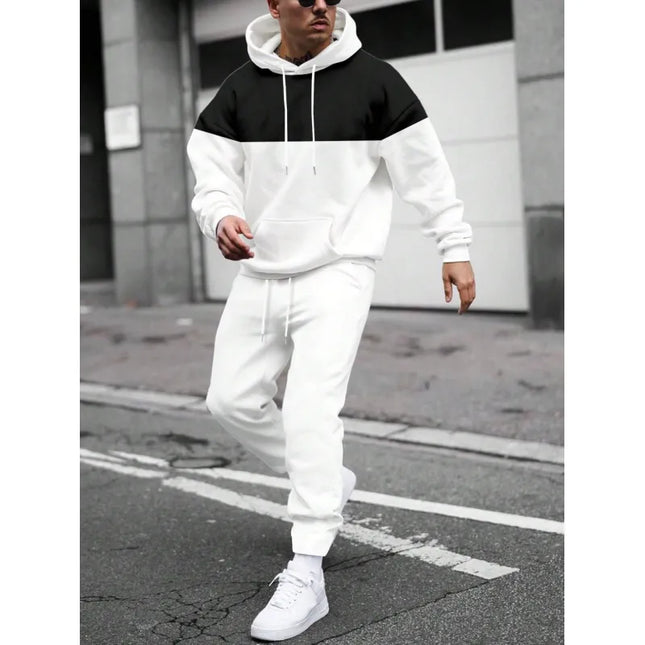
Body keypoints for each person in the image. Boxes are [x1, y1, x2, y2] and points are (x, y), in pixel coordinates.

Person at [186, 0, 476, 640]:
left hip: (339, 268)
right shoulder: (239, 90)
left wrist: (453, 246)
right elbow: (212, 176)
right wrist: (221, 217)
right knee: (229, 400)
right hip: (260, 269)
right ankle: (326, 479)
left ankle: (308, 568)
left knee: (311, 411)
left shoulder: (376, 80)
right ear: (274, 5)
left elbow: (425, 171)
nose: (322, 4)